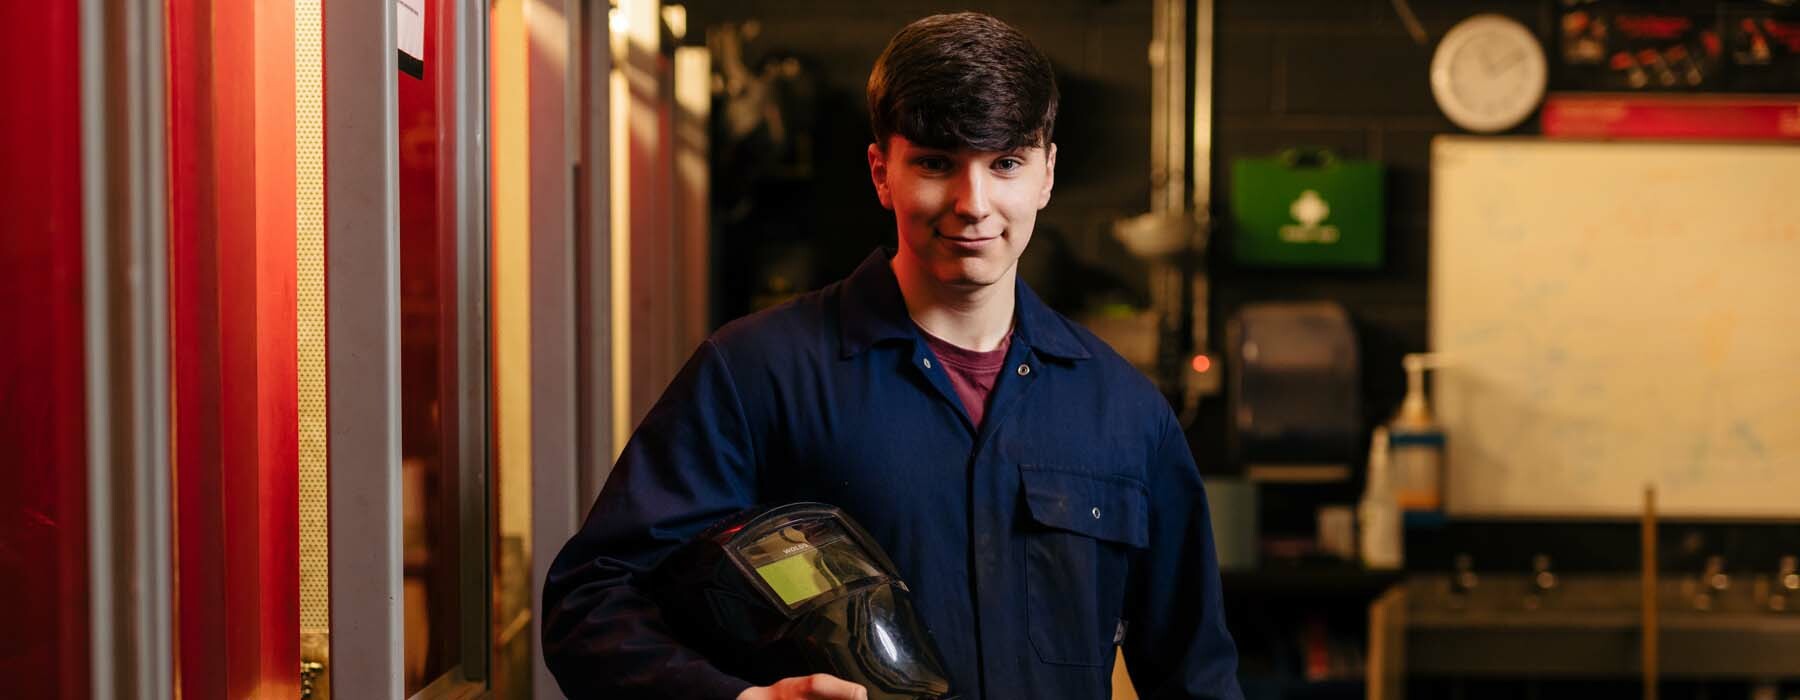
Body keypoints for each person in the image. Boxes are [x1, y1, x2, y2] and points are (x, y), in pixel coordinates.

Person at [543, 12, 1241, 700]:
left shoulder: (1124, 411)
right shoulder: (757, 374)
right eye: (936, 163)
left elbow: (1197, 677)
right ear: (882, 172)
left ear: (1046, 174)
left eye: (1005, 164)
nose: (973, 203)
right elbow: (592, 601)